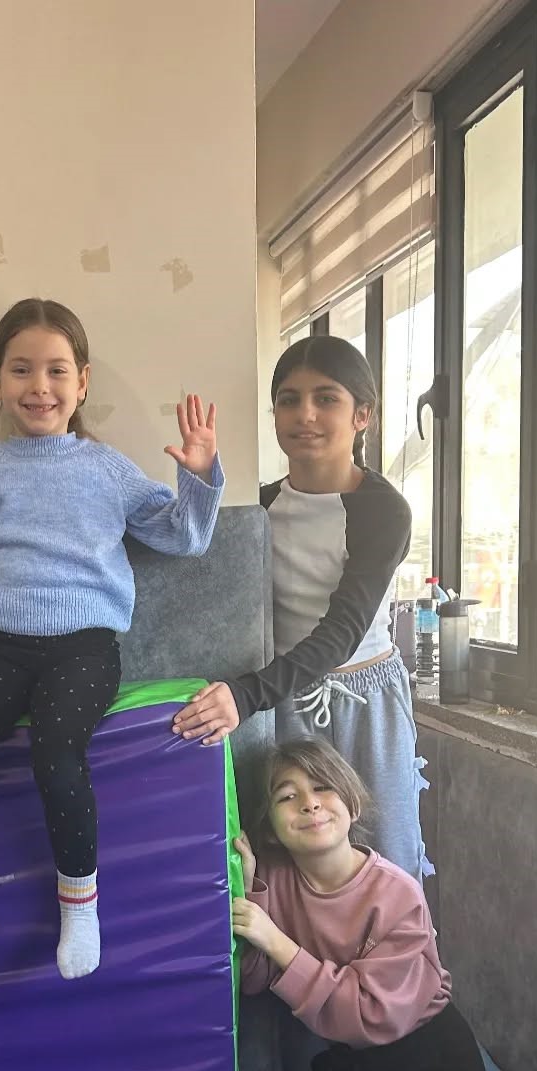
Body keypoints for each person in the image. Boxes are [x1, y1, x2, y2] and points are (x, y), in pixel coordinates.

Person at [0, 297, 224, 1002]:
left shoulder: (108, 468)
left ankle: (80, 907)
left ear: (82, 382)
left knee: (56, 752)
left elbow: (184, 536)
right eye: (22, 370)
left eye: (57, 370)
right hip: (0, 646)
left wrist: (200, 474)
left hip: (85, 647)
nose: (40, 386)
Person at [173, 336, 428, 883]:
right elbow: (196, 581)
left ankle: (399, 945)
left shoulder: (383, 511)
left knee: (384, 856)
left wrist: (244, 694)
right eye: (288, 400)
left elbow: (342, 629)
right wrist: (201, 485)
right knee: (283, 858)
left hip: (363, 701)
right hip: (283, 701)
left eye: (326, 399)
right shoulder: (260, 507)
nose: (304, 414)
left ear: (362, 415)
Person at [231, 739, 498, 1071]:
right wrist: (251, 885)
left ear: (352, 804)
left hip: (430, 1062)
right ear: (269, 824)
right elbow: (253, 980)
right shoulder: (278, 879)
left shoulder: (397, 894)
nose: (309, 803)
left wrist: (276, 940)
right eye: (287, 796)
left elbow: (370, 1015)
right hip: (360, 1068)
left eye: (322, 787)